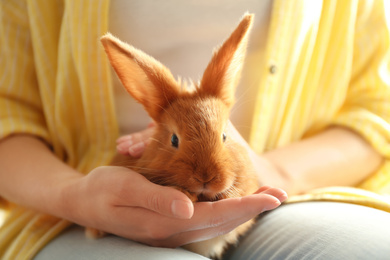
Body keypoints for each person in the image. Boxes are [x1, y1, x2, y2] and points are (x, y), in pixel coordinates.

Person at [0, 0, 390, 259]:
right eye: (176, 141)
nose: (204, 174)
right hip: (85, 211)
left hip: (284, 196)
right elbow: (8, 110)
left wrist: (275, 173)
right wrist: (76, 198)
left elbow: (377, 110)